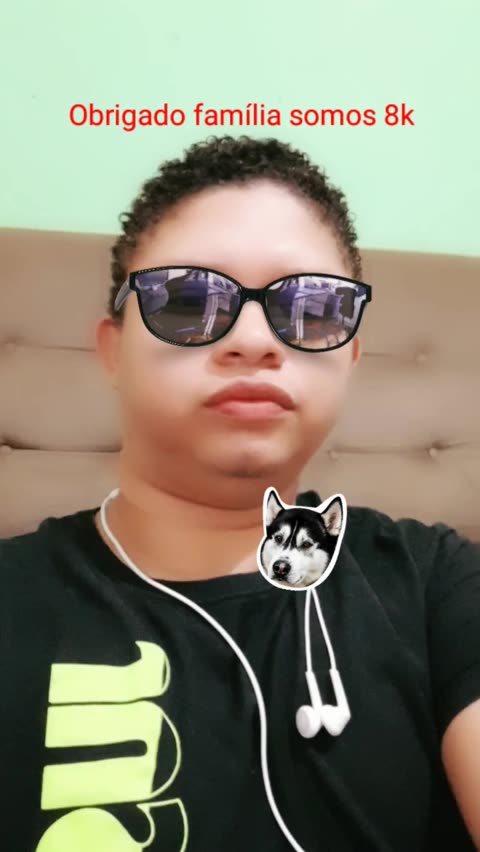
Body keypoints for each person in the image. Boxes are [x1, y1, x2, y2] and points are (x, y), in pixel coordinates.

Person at [1, 135, 479, 852]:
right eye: (189, 299)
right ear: (113, 350)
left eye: (311, 308)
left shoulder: (438, 585)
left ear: (349, 355)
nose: (254, 340)